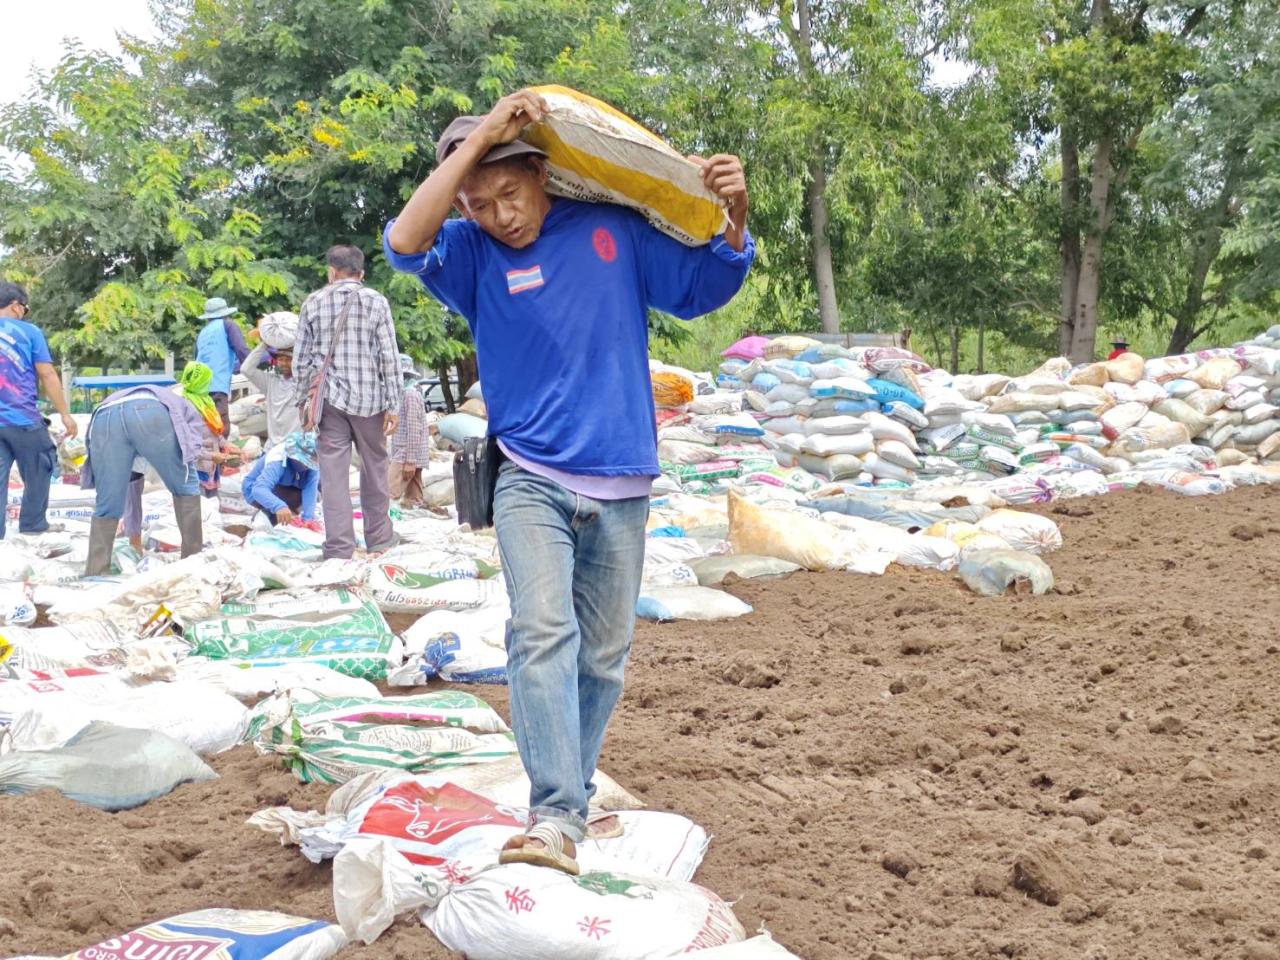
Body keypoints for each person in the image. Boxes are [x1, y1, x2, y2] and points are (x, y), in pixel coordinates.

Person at [384, 89, 753, 874]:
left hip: (621, 477)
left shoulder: (610, 229)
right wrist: (481, 137)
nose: (499, 216)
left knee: (603, 658)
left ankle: (569, 803)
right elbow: (404, 241)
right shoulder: (470, 254)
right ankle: (553, 814)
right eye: (479, 203)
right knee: (541, 633)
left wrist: (735, 218)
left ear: (542, 174)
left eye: (509, 194)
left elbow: (702, 290)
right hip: (529, 475)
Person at [293, 245, 402, 559]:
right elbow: (389, 356)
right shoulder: (376, 301)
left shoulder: (313, 302)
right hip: (371, 401)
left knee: (333, 476)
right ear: (361, 273)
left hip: (329, 403)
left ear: (331, 272)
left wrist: (302, 401)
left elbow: (301, 361)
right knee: (375, 468)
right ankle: (379, 538)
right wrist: (394, 403)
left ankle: (339, 547)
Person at [81, 362, 225, 575]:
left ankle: (95, 572)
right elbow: (190, 447)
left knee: (107, 503)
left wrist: (134, 536)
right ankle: (192, 564)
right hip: (150, 412)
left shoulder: (176, 395)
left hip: (104, 415)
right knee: (187, 486)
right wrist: (206, 458)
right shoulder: (186, 401)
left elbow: (131, 488)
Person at [0, 281, 77, 540]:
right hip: (22, 418)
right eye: (25, 308)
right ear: (15, 306)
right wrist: (65, 414)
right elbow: (46, 373)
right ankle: (33, 523)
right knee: (42, 465)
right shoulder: (29, 332)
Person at [242, 311, 301, 445]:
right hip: (273, 446)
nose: (284, 363)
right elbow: (246, 369)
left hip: (296, 447)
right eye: (281, 359)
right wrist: (265, 343)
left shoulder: (303, 383)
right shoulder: (271, 381)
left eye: (288, 360)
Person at [194, 297, 251, 437]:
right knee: (220, 427)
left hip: (199, 388)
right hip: (217, 385)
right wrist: (254, 365)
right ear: (226, 314)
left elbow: (203, 359)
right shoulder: (228, 325)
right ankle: (221, 449)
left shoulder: (202, 333)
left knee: (205, 425)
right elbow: (241, 350)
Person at [243, 430, 320, 528]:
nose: (307, 466)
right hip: (254, 491)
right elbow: (258, 489)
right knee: (292, 498)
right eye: (304, 462)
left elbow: (310, 488)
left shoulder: (312, 466)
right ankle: (267, 514)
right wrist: (279, 506)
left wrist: (308, 518)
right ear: (293, 457)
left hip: (285, 487)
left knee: (317, 493)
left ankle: (284, 511)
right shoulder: (278, 461)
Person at [389, 355, 430, 508]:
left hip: (406, 454)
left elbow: (414, 429)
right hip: (410, 454)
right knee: (414, 501)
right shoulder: (405, 394)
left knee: (387, 494)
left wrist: (410, 461)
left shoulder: (410, 395)